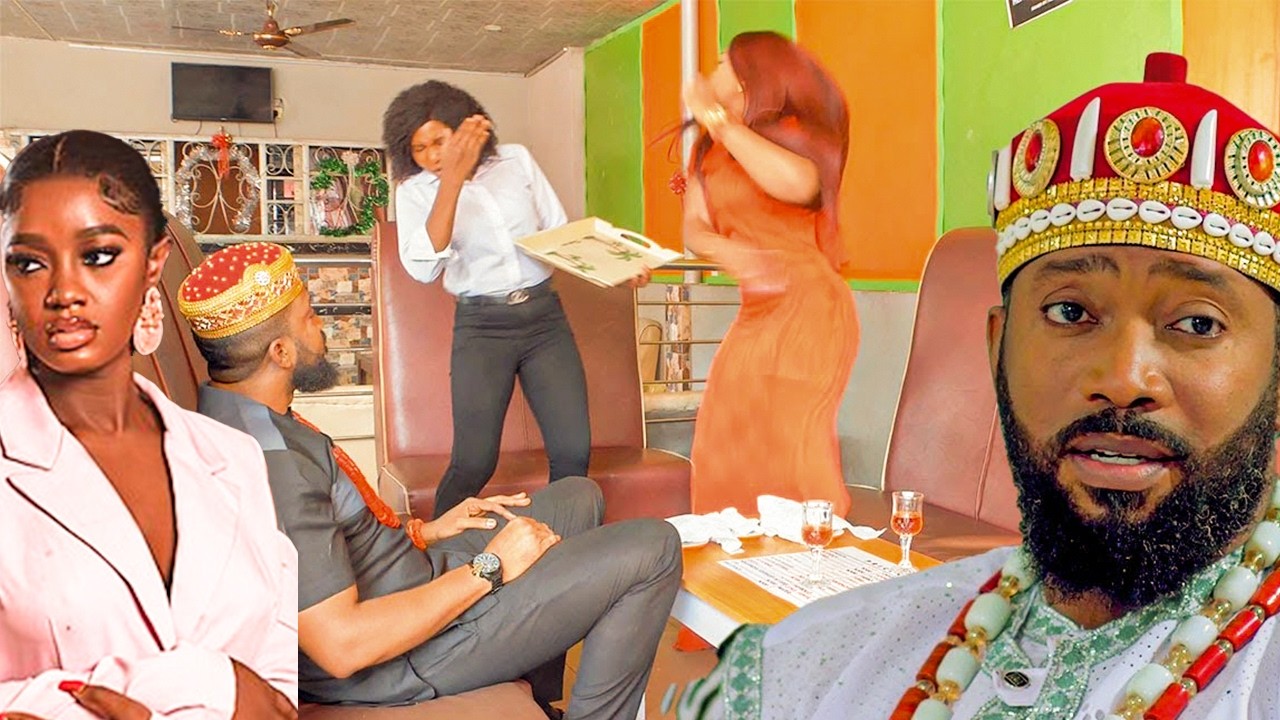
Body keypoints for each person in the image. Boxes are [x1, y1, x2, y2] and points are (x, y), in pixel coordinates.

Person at [677, 53, 1280, 720]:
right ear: (997, 350)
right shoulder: (805, 667)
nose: (1122, 379)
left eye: (1197, 323)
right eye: (1070, 312)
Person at [181, 242, 681, 719]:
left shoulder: (238, 415)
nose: (321, 327)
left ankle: (539, 698)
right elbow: (341, 645)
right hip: (412, 654)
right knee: (655, 546)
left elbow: (328, 539)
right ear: (281, 352)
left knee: (577, 497)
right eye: (310, 317)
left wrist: (426, 531)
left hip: (411, 582)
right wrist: (491, 567)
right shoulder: (272, 465)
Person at [0, 131, 298, 718]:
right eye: (29, 263)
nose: (63, 293)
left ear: (153, 263)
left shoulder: (234, 457)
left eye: (98, 256)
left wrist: (213, 682)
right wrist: (211, 684)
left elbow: (278, 689)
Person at [383, 80, 649, 518]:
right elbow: (423, 268)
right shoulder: (415, 191)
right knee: (474, 461)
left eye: (440, 141)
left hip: (545, 320)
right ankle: (437, 549)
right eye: (419, 148)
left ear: (466, 128)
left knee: (572, 452)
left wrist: (617, 269)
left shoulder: (516, 161)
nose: (431, 156)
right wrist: (451, 182)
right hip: (482, 328)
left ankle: (562, 545)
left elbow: (559, 236)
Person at [680, 31, 858, 517]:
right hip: (756, 309)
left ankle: (814, 551)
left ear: (748, 77)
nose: (711, 71)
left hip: (809, 307)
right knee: (722, 438)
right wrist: (725, 250)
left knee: (789, 449)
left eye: (723, 62)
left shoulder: (792, 132)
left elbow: (798, 185)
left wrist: (717, 119)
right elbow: (694, 226)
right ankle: (734, 555)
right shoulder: (707, 150)